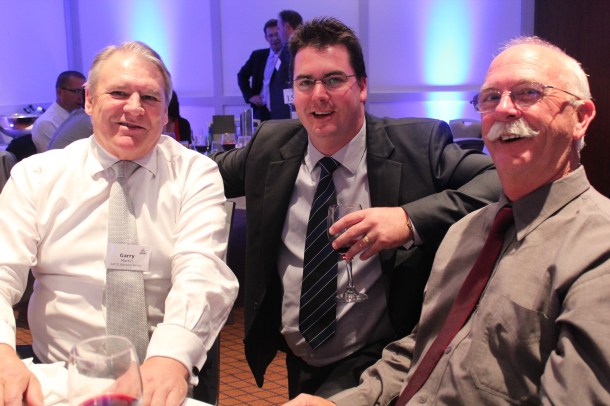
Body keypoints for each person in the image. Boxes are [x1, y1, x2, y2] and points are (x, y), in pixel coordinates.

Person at [286, 36, 610, 406]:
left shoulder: (598, 251)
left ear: (580, 117)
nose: (504, 109)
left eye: (528, 93)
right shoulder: (464, 234)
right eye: (490, 97)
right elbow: (421, 351)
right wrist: (340, 403)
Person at [212, 17, 501, 398]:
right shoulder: (270, 145)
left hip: (380, 357)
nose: (318, 95)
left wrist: (409, 219)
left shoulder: (417, 145)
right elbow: (201, 175)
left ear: (362, 86)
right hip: (297, 354)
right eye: (305, 82)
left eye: (334, 80)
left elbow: (498, 178)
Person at [0, 41, 238, 406]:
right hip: (60, 382)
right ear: (89, 101)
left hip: (160, 377)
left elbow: (201, 273)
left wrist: (170, 357)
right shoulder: (37, 176)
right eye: (118, 93)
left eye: (150, 97)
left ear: (165, 112)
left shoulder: (195, 174)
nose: (134, 108)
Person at [237, 18, 284, 121]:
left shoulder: (291, 56)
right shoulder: (257, 56)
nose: (275, 38)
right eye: (271, 35)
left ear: (282, 34)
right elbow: (242, 75)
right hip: (261, 110)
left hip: (283, 111)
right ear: (266, 38)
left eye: (277, 34)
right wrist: (250, 96)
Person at [31, 70, 86, 153]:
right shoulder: (46, 123)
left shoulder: (82, 116)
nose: (81, 97)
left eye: (84, 92)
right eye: (77, 91)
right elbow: (53, 158)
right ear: (59, 92)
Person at [269, 9, 304, 120]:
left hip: (290, 112)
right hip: (283, 111)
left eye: (279, 29)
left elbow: (292, 78)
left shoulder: (296, 47)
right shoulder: (288, 47)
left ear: (287, 26)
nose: (278, 34)